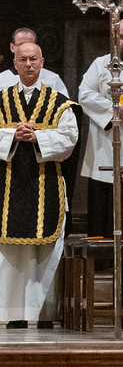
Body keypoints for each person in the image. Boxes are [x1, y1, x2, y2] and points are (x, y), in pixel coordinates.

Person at [0, 41, 79, 329]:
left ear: (42, 62)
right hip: (8, 185)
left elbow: (70, 138)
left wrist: (38, 138)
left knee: (45, 254)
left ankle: (44, 313)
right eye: (23, 59)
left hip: (46, 183)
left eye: (33, 59)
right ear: (15, 63)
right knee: (10, 255)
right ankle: (13, 314)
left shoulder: (59, 103)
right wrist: (12, 136)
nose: (29, 64)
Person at [78, 20, 123, 237]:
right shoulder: (100, 64)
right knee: (103, 216)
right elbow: (84, 95)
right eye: (121, 37)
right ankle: (102, 255)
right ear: (114, 38)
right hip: (105, 149)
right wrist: (115, 110)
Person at [0, 28, 68, 99]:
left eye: (30, 44)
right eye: (20, 45)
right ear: (12, 47)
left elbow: (65, 109)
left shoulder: (53, 80)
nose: (25, 48)